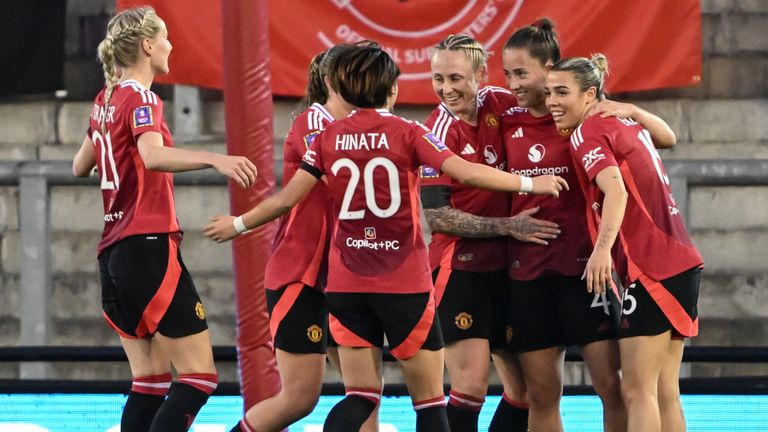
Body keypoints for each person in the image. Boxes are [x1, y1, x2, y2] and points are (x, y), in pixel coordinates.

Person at [205, 44, 568, 432]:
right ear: (392, 90)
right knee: (429, 403)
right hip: (402, 282)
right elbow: (464, 172)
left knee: (360, 396)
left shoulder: (328, 137)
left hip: (346, 282)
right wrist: (530, 181)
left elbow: (287, 198)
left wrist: (239, 224)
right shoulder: (409, 131)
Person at [72, 7, 257, 431]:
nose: (171, 45)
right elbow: (153, 156)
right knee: (199, 377)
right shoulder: (140, 97)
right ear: (148, 45)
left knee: (151, 381)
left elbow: (80, 166)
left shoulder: (105, 100)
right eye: (167, 38)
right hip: (148, 244)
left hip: (112, 253)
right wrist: (215, 158)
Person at [501, 19, 679, 432]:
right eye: (507, 74)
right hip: (528, 275)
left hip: (587, 274)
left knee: (612, 387)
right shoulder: (505, 120)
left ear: (550, 68)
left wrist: (632, 109)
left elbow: (664, 140)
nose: (512, 83)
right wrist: (504, 224)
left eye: (521, 73)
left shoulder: (587, 119)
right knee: (542, 395)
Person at [545, 54, 703, 432]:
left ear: (589, 95)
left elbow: (616, 191)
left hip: (651, 267)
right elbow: (669, 136)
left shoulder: (587, 132)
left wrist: (601, 251)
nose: (551, 102)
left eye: (561, 92)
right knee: (664, 390)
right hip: (682, 263)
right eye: (548, 92)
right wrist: (632, 108)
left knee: (636, 390)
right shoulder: (624, 121)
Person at [228, 44, 378, 432]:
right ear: (333, 81)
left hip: (344, 278)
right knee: (299, 398)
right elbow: (345, 182)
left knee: (364, 393)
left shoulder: (364, 128)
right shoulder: (315, 123)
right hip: (303, 276)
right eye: (358, 74)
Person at [422, 33, 560, 432]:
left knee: (525, 392)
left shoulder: (502, 102)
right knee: (470, 385)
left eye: (455, 78)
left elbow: (553, 102)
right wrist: (509, 226)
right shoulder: (437, 129)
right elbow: (439, 217)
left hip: (510, 269)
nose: (446, 89)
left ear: (481, 75)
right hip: (460, 269)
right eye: (437, 79)